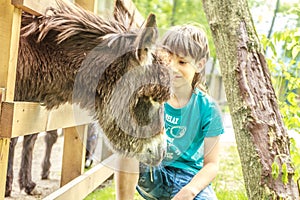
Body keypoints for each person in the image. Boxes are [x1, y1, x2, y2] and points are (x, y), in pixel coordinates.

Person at [114, 24, 224, 200]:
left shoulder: (208, 108)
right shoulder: (149, 97)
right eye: (168, 60)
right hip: (154, 171)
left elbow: (211, 164)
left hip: (188, 178)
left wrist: (189, 192)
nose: (173, 68)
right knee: (128, 146)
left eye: (182, 62)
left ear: (199, 64)